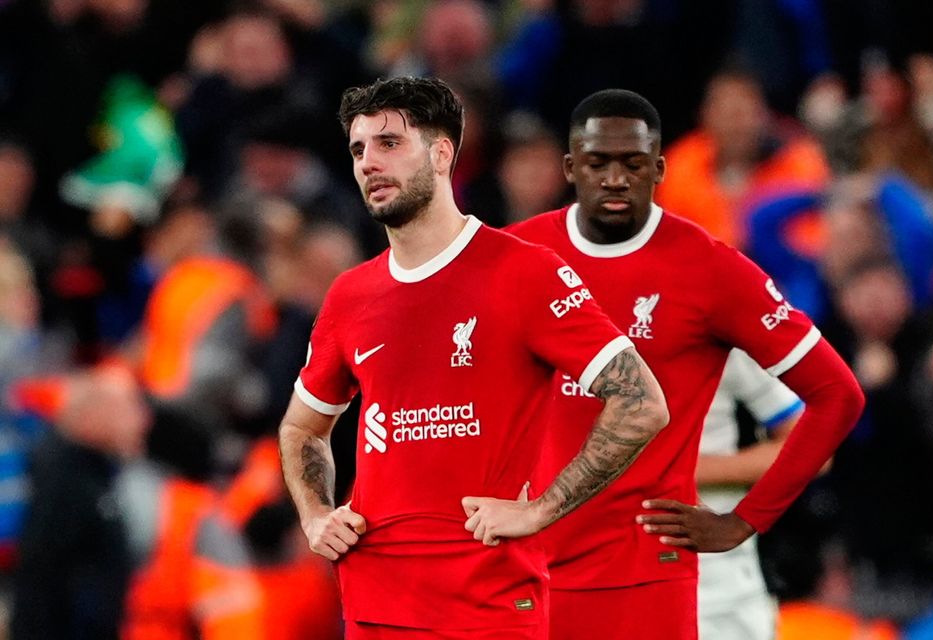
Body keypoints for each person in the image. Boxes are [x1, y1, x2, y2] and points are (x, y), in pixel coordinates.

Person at [277, 77, 670, 640]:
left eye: (389, 144)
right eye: (359, 149)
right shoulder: (350, 296)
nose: (369, 163)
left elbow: (642, 402)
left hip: (486, 606)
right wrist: (316, 515)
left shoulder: (523, 271)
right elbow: (302, 428)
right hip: (374, 603)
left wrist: (542, 510)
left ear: (442, 154)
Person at [508, 89, 864, 640]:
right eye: (598, 163)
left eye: (633, 163)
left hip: (673, 582)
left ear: (661, 168)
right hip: (531, 576)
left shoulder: (712, 272)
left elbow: (837, 396)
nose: (616, 179)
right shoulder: (513, 259)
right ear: (569, 166)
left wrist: (747, 519)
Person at [696, 348, 804, 640]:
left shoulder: (717, 324)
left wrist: (683, 471)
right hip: (596, 572)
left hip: (718, 585)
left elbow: (810, 443)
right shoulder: (574, 320)